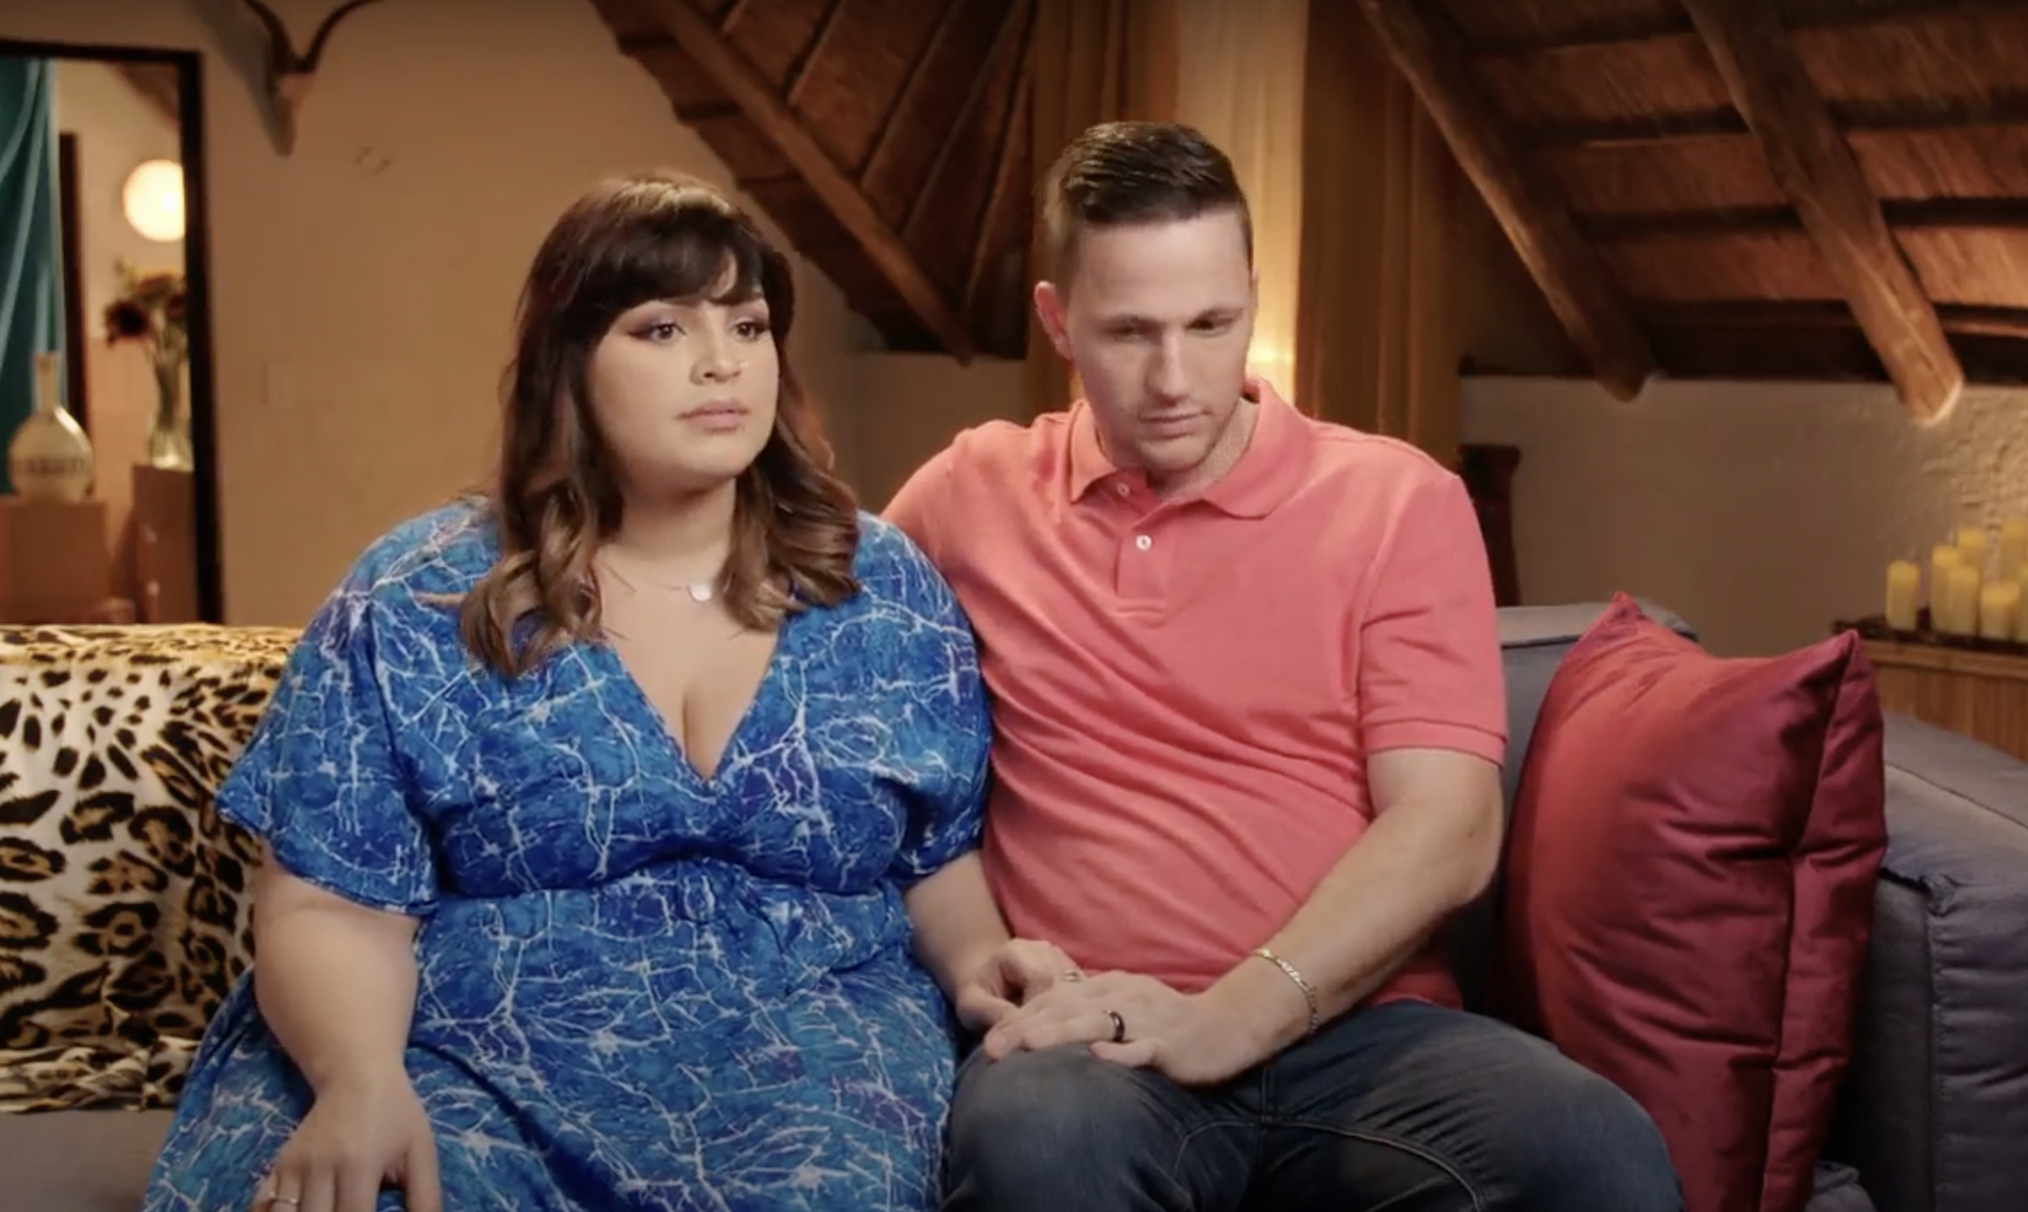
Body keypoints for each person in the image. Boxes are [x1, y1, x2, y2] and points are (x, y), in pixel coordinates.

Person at [143, 172, 997, 1212]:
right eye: (663, 329)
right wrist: (360, 1080)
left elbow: (934, 861)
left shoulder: (882, 586)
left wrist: (983, 966)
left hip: (812, 1062)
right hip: (461, 1052)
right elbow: (331, 902)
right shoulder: (421, 595)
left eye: (748, 324)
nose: (722, 361)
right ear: (569, 361)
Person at [881, 122, 1686, 1210]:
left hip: (1357, 1031)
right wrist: (976, 955)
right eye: (1130, 332)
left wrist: (1235, 1016)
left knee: (1597, 1149)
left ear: (1252, 298)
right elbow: (833, 697)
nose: (1175, 379)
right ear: (1057, 320)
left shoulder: (1397, 503)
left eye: (1212, 324)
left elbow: (1448, 828)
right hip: (1093, 1040)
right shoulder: (967, 496)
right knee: (1036, 1139)